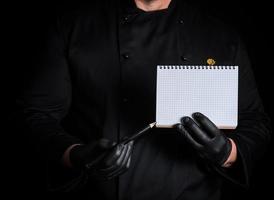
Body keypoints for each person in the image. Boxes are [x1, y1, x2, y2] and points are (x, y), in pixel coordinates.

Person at [18, 0, 271, 199]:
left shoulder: (220, 36)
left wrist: (227, 152)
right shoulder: (73, 28)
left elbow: (254, 122)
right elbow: (36, 115)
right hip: (97, 191)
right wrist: (76, 154)